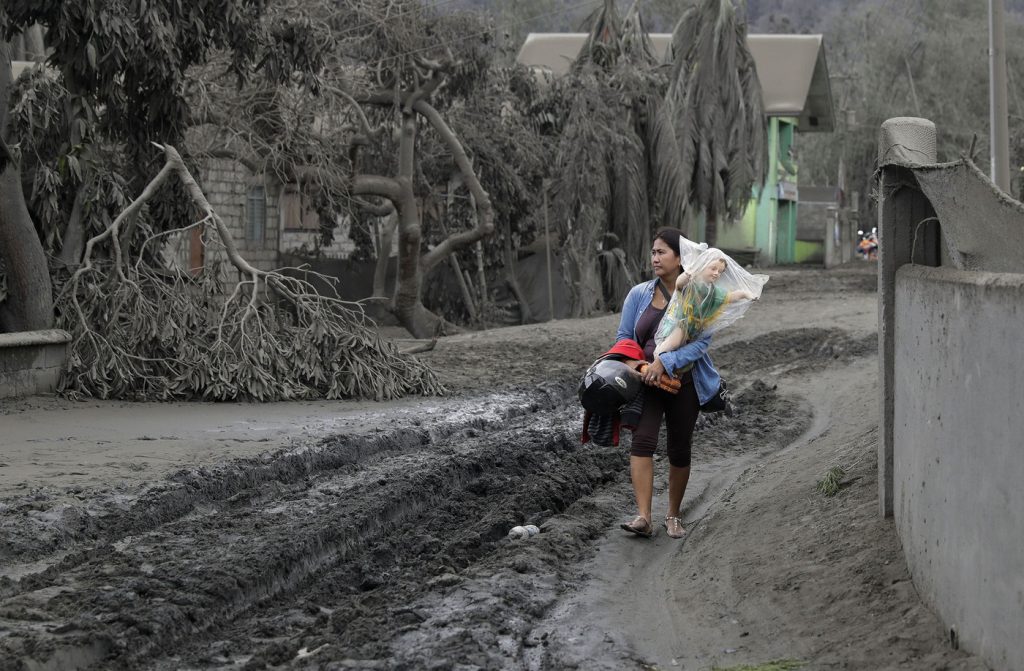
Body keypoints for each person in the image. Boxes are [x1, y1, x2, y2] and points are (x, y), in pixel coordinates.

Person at [614, 228, 722, 539]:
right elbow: (624, 338)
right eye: (653, 252)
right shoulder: (639, 295)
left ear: (680, 257)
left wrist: (665, 363)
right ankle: (644, 517)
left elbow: (701, 344)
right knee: (642, 441)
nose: (655, 258)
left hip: (683, 383)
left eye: (662, 252)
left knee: (679, 447)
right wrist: (639, 365)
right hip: (645, 381)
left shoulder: (701, 294)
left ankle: (672, 516)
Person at [653, 249, 757, 358]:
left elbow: (731, 296)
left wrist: (745, 294)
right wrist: (687, 275)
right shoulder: (692, 282)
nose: (716, 273)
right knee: (674, 342)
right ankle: (657, 356)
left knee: (683, 353)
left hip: (694, 330)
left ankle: (668, 365)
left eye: (720, 271)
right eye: (713, 269)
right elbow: (679, 284)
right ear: (702, 266)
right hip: (681, 324)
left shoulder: (713, 291)